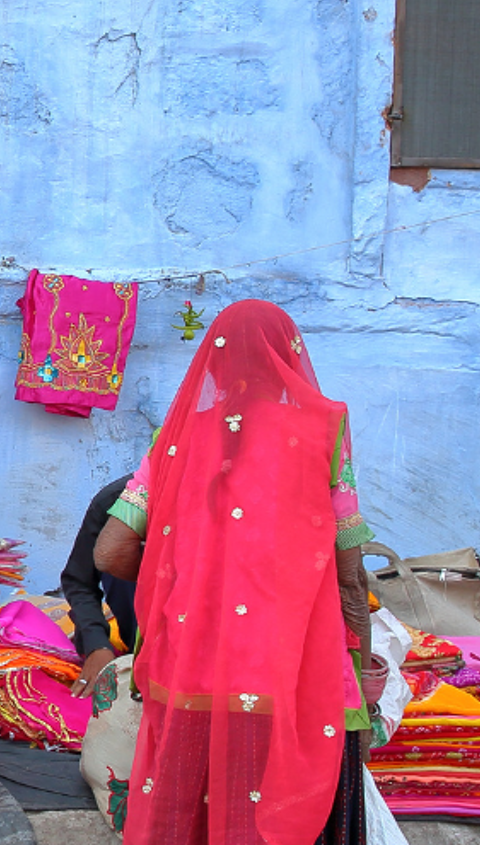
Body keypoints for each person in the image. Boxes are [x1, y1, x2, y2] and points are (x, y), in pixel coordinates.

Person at [92, 301, 375, 845]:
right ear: (291, 358)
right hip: (289, 673)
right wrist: (359, 674)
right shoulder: (325, 430)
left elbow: (110, 552)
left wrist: (188, 578)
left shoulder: (175, 438)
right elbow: (348, 574)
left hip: (188, 669)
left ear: (213, 363)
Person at [61, 475, 140, 697]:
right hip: (139, 644)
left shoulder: (234, 506)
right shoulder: (117, 499)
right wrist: (96, 645)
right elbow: (78, 579)